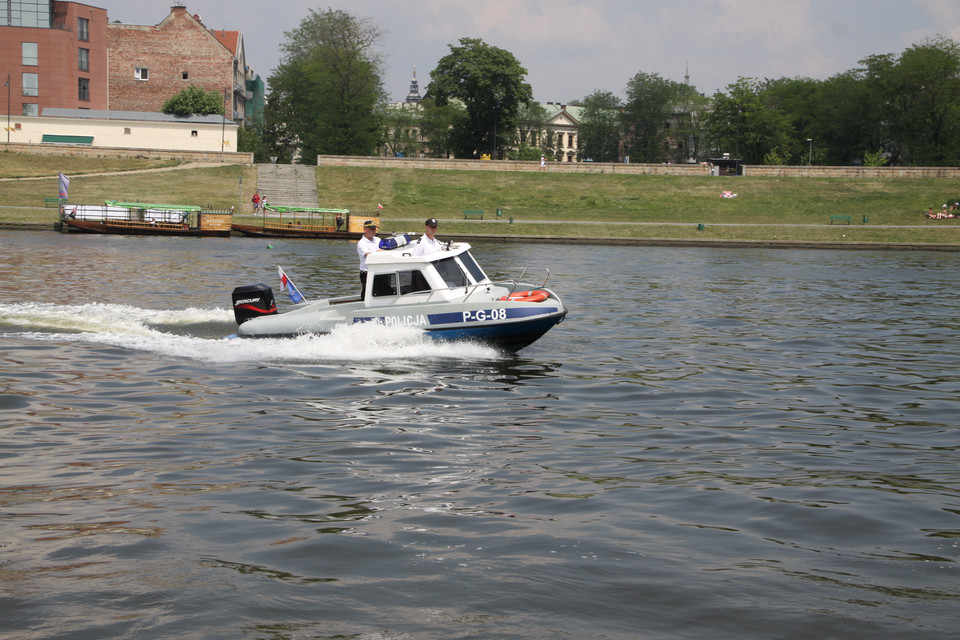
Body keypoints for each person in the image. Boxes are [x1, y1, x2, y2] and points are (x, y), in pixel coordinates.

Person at [357, 220, 380, 299]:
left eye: (374, 228)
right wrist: (379, 252)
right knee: (367, 293)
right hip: (367, 272)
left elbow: (386, 250)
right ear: (365, 229)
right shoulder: (361, 243)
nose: (374, 231)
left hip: (378, 270)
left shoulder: (378, 240)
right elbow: (369, 255)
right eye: (372, 229)